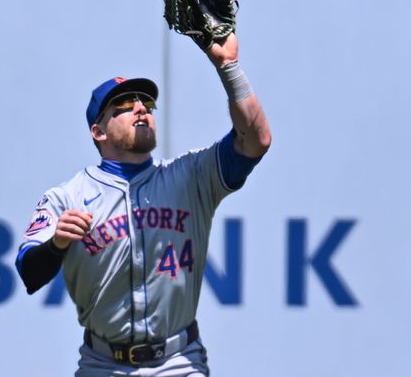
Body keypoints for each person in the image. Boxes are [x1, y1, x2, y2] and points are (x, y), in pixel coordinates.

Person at [15, 29, 271, 376]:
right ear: (98, 132)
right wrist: (58, 244)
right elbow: (29, 272)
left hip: (178, 361)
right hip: (103, 364)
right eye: (123, 105)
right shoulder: (66, 197)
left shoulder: (191, 175)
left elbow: (255, 140)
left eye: (146, 103)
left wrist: (229, 67)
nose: (140, 108)